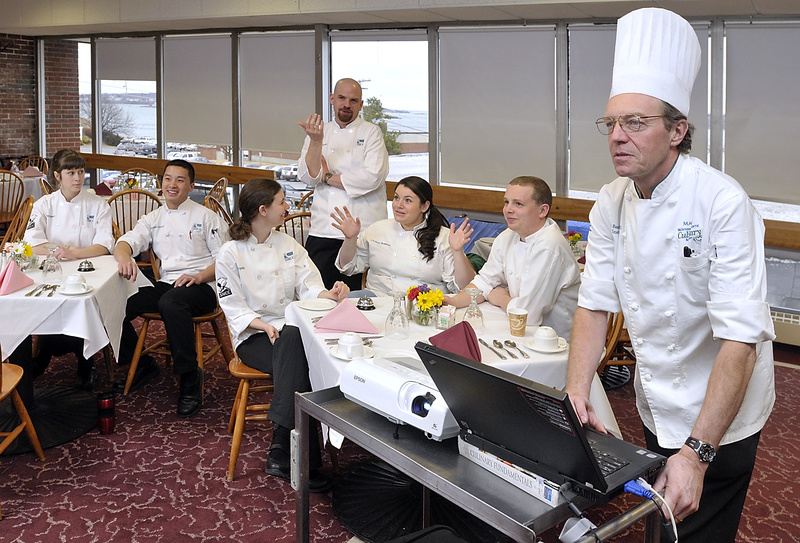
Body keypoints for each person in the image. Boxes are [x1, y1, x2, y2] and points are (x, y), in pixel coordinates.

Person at [564, 8, 775, 542]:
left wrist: (699, 454)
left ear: (678, 131)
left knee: (699, 528)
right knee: (663, 518)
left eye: (635, 122)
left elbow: (739, 342)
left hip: (724, 414)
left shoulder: (722, 204)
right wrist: (575, 389)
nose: (616, 136)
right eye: (610, 123)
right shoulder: (610, 202)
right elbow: (594, 304)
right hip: (658, 400)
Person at [216, 178, 349, 492]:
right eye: (282, 202)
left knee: (292, 340)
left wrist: (329, 294)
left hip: (289, 332)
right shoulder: (230, 253)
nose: (287, 206)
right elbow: (230, 304)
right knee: (300, 359)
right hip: (253, 336)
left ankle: (281, 448)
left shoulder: (288, 245)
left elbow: (309, 285)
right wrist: (263, 325)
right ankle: (295, 454)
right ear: (263, 210)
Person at [113, 159, 228, 418]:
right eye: (167, 179)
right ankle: (141, 363)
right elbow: (126, 242)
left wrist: (199, 276)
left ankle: (189, 376)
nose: (172, 185)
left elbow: (226, 260)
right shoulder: (153, 218)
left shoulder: (206, 217)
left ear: (191, 186)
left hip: (204, 286)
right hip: (167, 284)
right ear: (161, 183)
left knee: (171, 303)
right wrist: (124, 258)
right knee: (116, 301)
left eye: (179, 180)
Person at [12, 149, 115, 401]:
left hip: (90, 268)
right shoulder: (44, 205)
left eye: (80, 172)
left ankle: (85, 360)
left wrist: (75, 252)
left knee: (84, 300)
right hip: (52, 267)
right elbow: (32, 244)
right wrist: (60, 251)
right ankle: (39, 354)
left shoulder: (98, 204)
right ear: (58, 175)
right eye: (71, 173)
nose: (77, 178)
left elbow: (104, 245)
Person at [445, 176, 580, 341]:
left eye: (518, 204)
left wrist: (501, 298)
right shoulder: (508, 236)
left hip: (555, 342)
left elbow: (527, 314)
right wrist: (452, 302)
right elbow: (486, 281)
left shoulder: (549, 246)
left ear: (542, 211)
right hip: (519, 328)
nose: (508, 209)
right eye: (506, 202)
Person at [296, 77, 390, 291]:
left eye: (353, 100)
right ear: (332, 99)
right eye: (341, 98)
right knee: (319, 294)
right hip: (323, 229)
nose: (347, 104)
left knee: (357, 298)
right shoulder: (319, 133)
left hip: (363, 229)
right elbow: (308, 176)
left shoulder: (371, 132)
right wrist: (316, 142)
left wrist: (328, 177)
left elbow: (372, 177)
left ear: (361, 105)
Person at [331, 176, 475, 296]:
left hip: (424, 306)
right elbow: (347, 267)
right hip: (377, 300)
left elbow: (465, 287)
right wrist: (350, 239)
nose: (398, 205)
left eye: (407, 200)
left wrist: (458, 252)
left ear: (424, 206)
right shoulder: (378, 229)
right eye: (396, 198)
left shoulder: (444, 237)